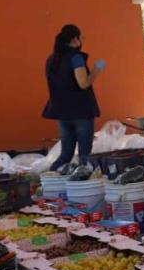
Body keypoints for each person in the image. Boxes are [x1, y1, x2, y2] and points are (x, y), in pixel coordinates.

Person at [42, 24, 105, 171]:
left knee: (65, 154)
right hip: (81, 112)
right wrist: (97, 68)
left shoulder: (51, 60)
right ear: (75, 39)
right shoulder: (76, 57)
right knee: (84, 155)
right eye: (80, 37)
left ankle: (49, 180)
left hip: (62, 113)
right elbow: (83, 83)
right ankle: (82, 186)